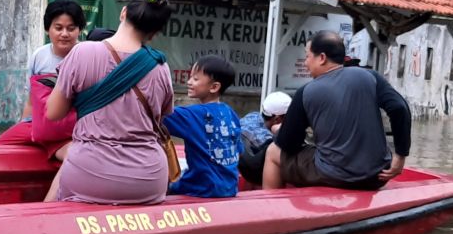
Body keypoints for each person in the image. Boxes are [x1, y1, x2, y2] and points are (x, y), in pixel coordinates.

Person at [44, 0, 175, 204]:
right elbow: (160, 119)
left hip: (90, 174)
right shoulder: (160, 67)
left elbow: (54, 112)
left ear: (123, 13)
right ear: (155, 32)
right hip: (148, 180)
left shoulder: (82, 52)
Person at [263, 31, 411, 191]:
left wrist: (277, 130)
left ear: (322, 58)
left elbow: (289, 145)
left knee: (272, 152)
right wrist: (401, 155)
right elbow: (399, 108)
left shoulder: (305, 92)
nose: (305, 63)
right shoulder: (370, 76)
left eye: (307, 56)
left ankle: (269, 208)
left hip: (335, 176)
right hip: (377, 175)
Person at [0, 0, 88, 157]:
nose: (64, 34)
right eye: (58, 28)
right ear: (47, 29)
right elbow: (32, 101)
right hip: (37, 125)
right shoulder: (39, 56)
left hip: (70, 131)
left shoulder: (88, 56)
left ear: (79, 30)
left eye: (71, 28)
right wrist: (24, 126)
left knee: (75, 157)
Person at [163, 55, 241, 198]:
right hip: (229, 188)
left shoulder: (193, 115)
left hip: (201, 187)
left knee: (164, 189)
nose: (189, 82)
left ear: (214, 87)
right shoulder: (231, 113)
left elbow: (156, 114)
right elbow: (238, 150)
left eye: (196, 79)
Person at [238, 91, 291, 186]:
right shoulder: (265, 140)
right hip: (254, 176)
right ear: (277, 119)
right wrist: (279, 132)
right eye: (289, 117)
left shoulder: (253, 115)